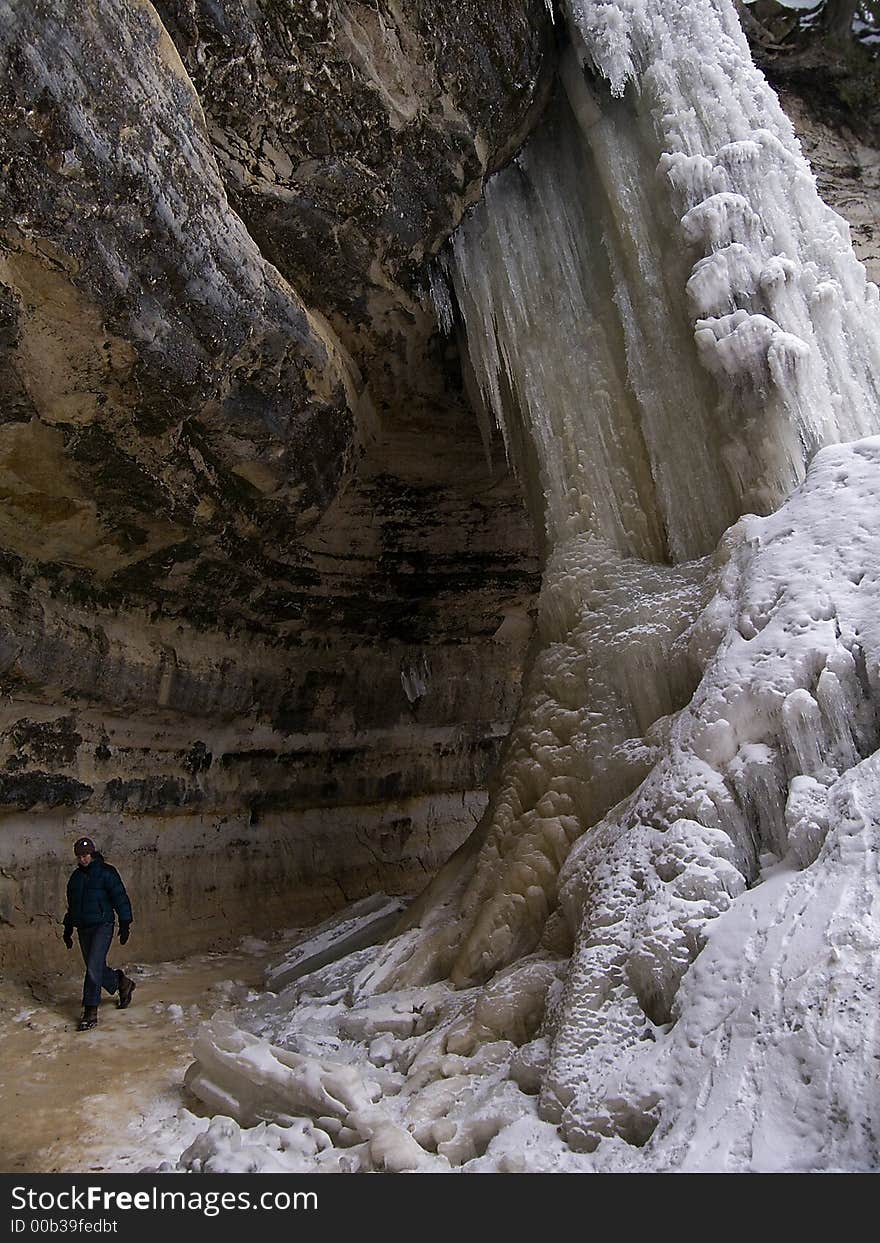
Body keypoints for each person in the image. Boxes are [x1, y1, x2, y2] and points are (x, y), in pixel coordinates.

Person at [62, 836, 135, 1031]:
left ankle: (90, 1010)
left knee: (93, 966)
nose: (83, 860)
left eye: (86, 855)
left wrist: (125, 922)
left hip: (103, 925)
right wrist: (68, 929)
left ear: (92, 854)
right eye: (79, 856)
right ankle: (121, 982)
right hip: (84, 927)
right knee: (96, 967)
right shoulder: (75, 879)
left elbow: (120, 897)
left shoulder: (106, 873)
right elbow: (72, 907)